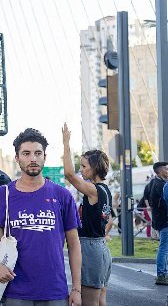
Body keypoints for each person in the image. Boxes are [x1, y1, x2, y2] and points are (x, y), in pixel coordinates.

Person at [0, 128, 82, 306]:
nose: (33, 158)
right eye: (26, 153)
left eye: (38, 153)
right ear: (17, 158)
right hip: (15, 290)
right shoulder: (2, 194)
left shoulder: (62, 195)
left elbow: (74, 244)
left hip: (54, 290)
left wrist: (76, 289)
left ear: (44, 157)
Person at [62, 124, 112, 306]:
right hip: (101, 247)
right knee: (100, 301)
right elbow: (109, 219)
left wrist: (66, 143)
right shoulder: (105, 190)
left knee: (89, 302)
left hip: (91, 248)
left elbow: (69, 174)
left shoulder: (93, 190)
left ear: (95, 168)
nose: (81, 170)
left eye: (84, 166)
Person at [149, 161, 168, 285]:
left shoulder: (155, 183)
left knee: (164, 247)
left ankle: (163, 273)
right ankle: (161, 275)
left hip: (161, 220)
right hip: (164, 220)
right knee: (164, 248)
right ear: (160, 171)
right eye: (167, 169)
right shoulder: (161, 185)